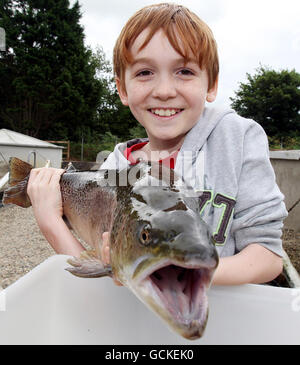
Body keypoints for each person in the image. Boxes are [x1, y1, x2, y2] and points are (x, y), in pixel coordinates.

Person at [27, 3, 287, 286]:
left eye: (185, 71)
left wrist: (189, 271)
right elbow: (104, 282)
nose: (164, 91)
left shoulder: (238, 138)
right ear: (123, 89)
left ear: (211, 85)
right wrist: (49, 220)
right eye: (144, 73)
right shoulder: (115, 168)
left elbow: (268, 255)